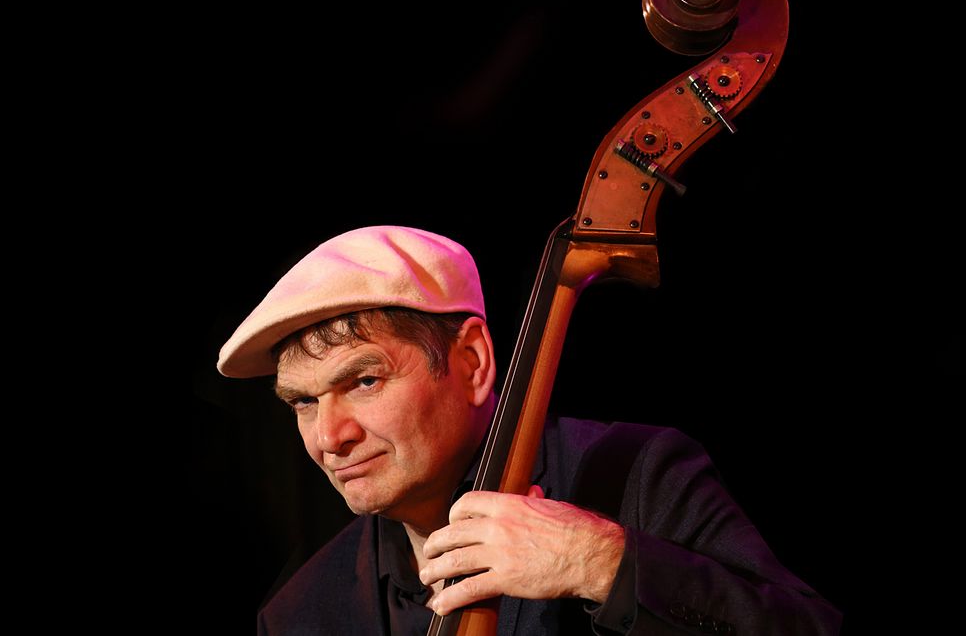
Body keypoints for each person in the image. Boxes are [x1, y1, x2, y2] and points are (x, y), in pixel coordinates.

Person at [218, 225, 842, 635]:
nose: (329, 437)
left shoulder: (638, 474)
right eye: (303, 402)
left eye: (363, 381)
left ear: (472, 363)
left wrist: (600, 564)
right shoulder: (300, 614)